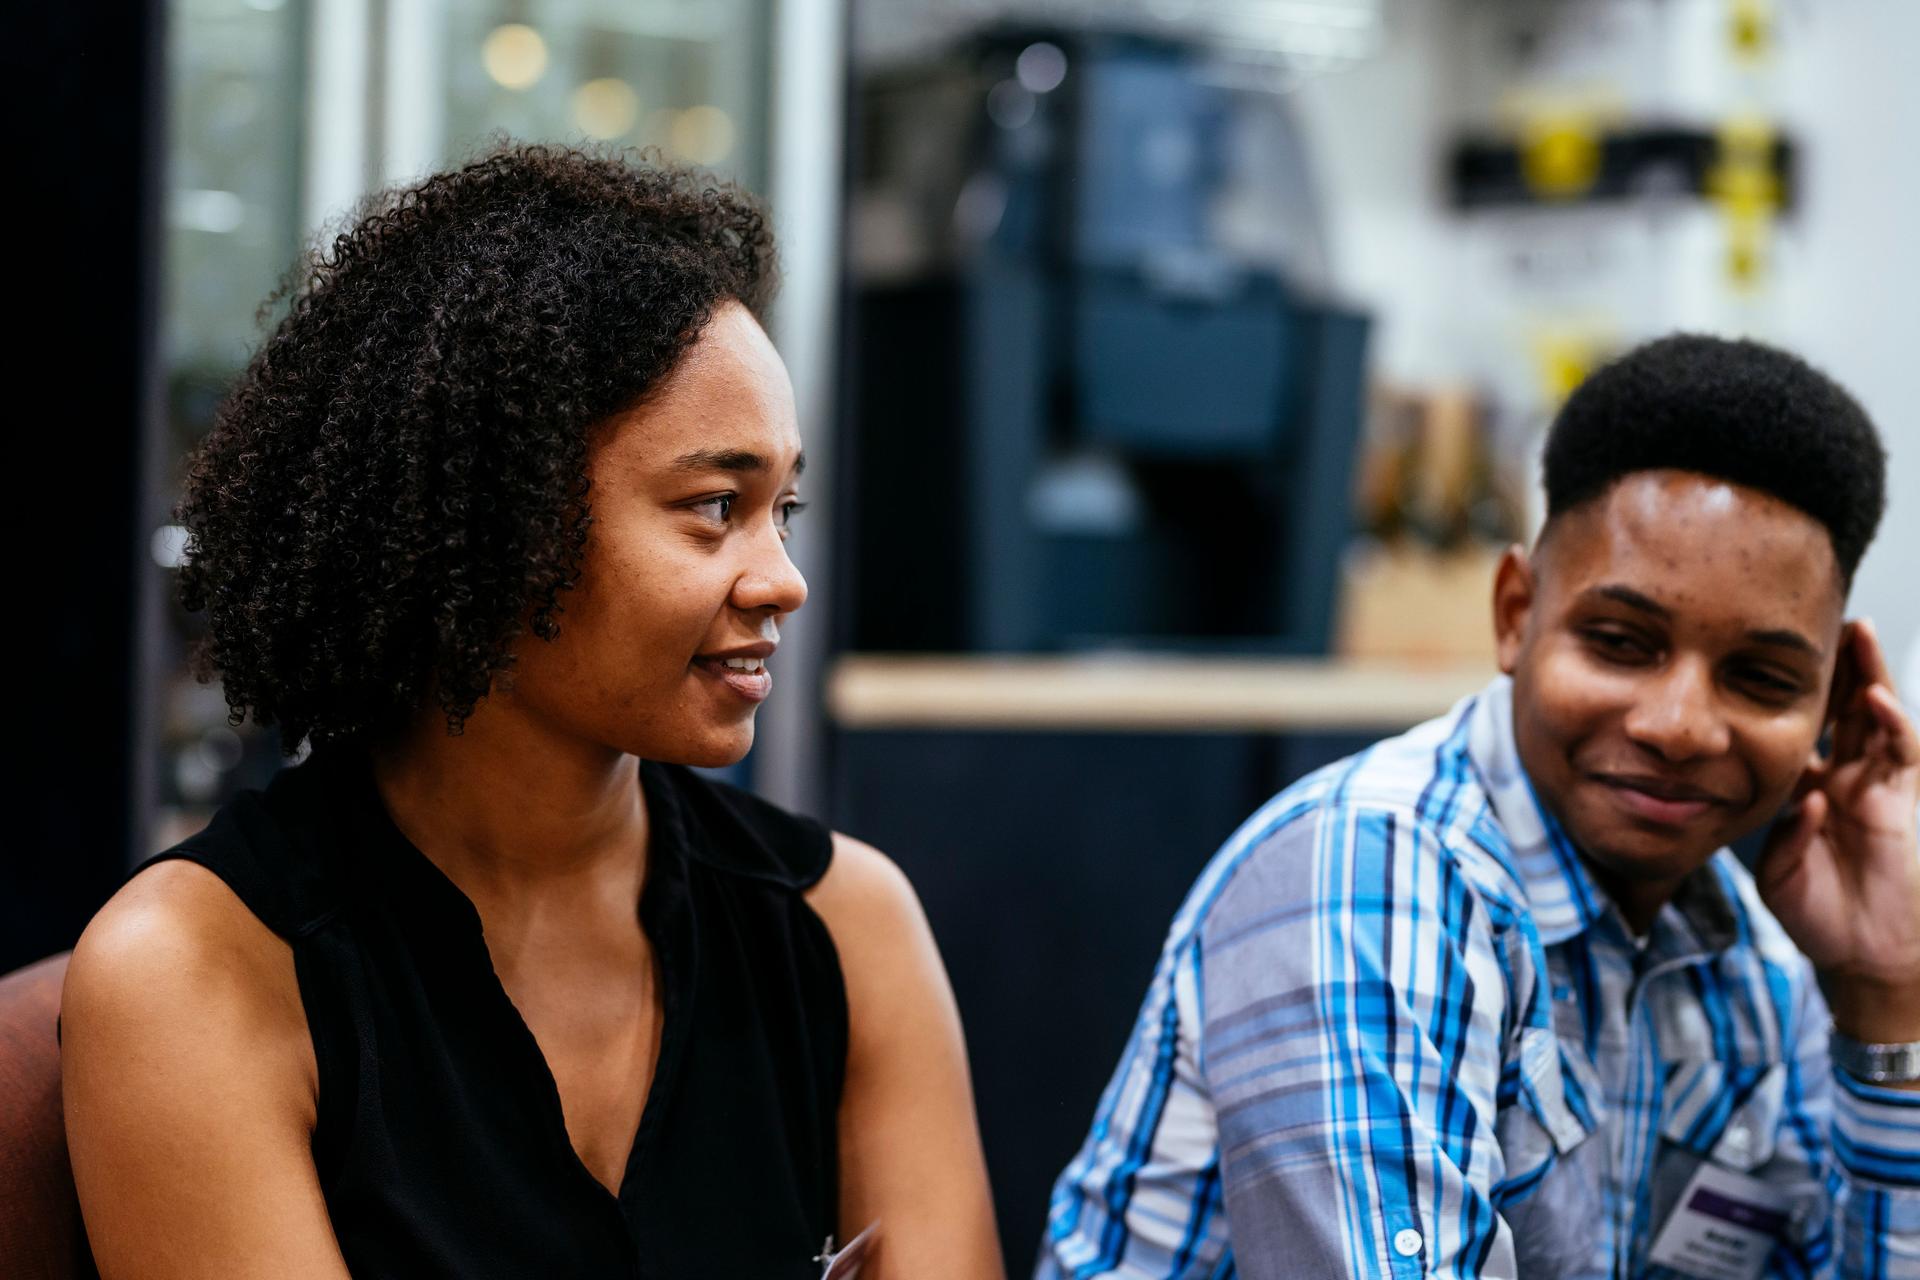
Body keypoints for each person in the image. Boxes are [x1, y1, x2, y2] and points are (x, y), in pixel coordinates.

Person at [61, 145, 1003, 1279]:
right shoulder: (196, 969)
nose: (782, 577)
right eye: (715, 507)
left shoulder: (845, 926)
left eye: (780, 508)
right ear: (494, 517)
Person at [1039, 334, 1919, 1278]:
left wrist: (1886, 992)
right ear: (1514, 614)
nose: (1679, 725)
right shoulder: (1372, 869)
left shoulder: (1750, 959)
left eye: (1760, 678)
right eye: (1622, 642)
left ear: (1831, 707)